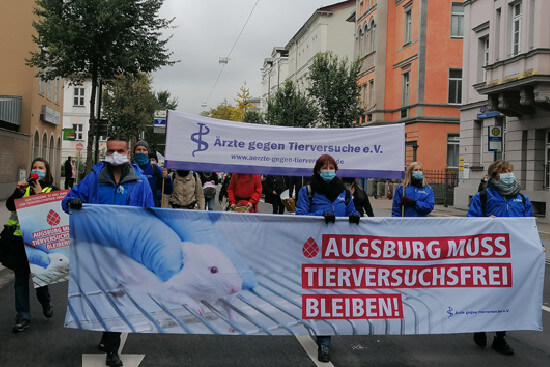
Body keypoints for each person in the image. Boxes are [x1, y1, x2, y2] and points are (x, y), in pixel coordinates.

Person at [62, 135, 154, 367]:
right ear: (106, 151)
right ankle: (107, 335)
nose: (115, 154)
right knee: (103, 293)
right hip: (98, 249)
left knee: (118, 294)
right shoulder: (94, 177)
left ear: (128, 153)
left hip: (125, 250)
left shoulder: (140, 181)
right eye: (111, 150)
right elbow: (69, 200)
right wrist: (73, 204)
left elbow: (150, 215)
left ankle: (112, 350)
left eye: (120, 150)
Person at [467, 160, 537, 356]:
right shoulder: (482, 197)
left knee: (505, 297)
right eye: (504, 171)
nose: (508, 174)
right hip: (487, 256)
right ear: (494, 175)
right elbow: (470, 223)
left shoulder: (522, 199)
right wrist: (484, 223)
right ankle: (480, 326)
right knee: (485, 295)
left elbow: (529, 228)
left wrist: (537, 247)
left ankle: (500, 337)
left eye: (510, 171)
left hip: (513, 255)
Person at [295, 154, 360, 363]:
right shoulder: (308, 191)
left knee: (330, 296)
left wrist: (355, 216)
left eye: (332, 167)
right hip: (315, 252)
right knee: (317, 294)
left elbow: (352, 211)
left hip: (337, 252)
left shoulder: (344, 192)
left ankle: (324, 338)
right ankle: (319, 335)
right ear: (317, 170)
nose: (329, 170)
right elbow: (298, 217)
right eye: (325, 167)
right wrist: (319, 215)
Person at [3, 158, 56, 333]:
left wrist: (39, 193)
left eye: (41, 168)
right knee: (20, 279)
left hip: (39, 243)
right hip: (19, 242)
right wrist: (19, 189)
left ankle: (45, 301)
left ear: (47, 171)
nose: (37, 170)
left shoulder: (52, 190)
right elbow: (10, 205)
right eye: (34, 167)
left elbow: (49, 212)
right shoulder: (23, 189)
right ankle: (23, 316)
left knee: (40, 280)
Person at [133, 141, 172, 207]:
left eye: (144, 150)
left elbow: (168, 191)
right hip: (131, 208)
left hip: (150, 209)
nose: (141, 152)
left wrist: (167, 178)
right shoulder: (129, 168)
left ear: (148, 152)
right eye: (138, 149)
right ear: (134, 152)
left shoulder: (155, 169)